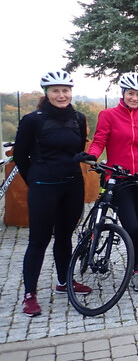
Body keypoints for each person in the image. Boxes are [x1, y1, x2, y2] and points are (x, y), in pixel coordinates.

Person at [14, 71, 89, 317]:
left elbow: (77, 149)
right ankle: (30, 294)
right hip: (44, 186)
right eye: (55, 90)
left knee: (65, 236)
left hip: (72, 185)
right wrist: (35, 180)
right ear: (46, 93)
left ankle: (64, 282)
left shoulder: (79, 118)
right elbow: (20, 156)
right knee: (39, 240)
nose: (61, 95)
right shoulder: (32, 120)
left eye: (65, 90)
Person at [78, 72, 138, 292]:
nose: (135, 98)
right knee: (130, 225)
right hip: (119, 178)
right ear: (123, 94)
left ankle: (137, 271)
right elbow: (99, 141)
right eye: (131, 93)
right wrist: (92, 156)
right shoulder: (108, 115)